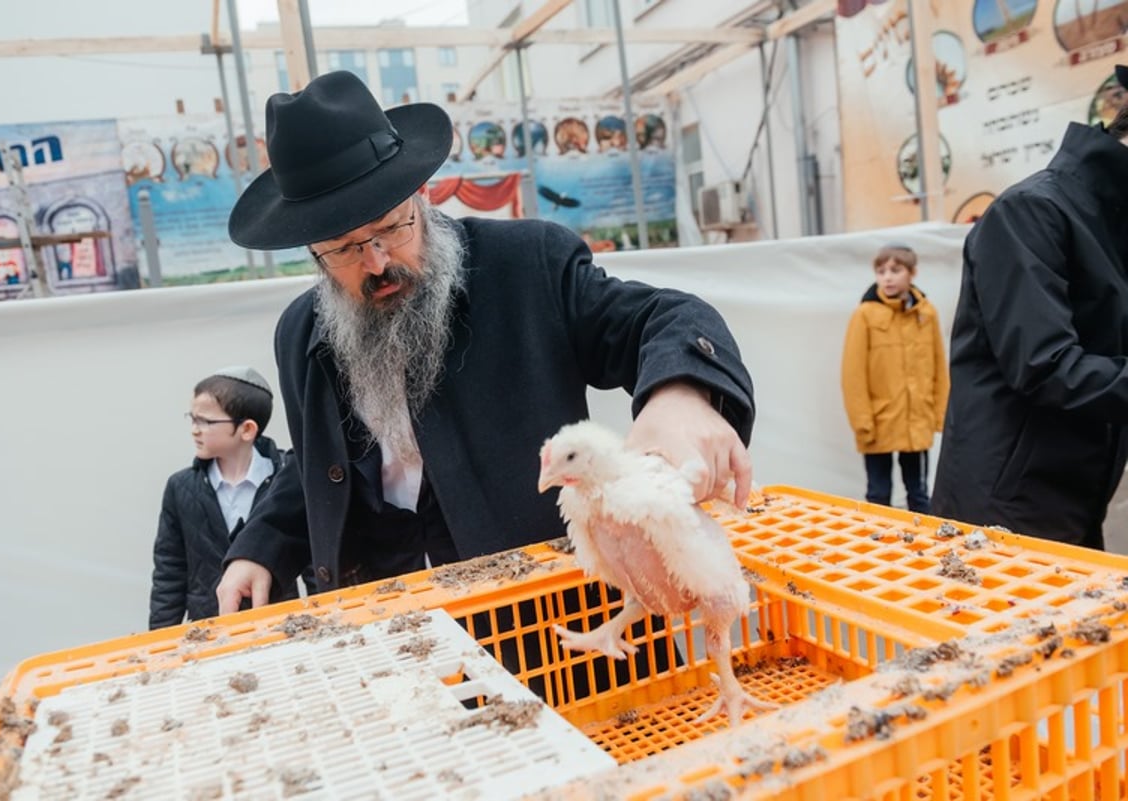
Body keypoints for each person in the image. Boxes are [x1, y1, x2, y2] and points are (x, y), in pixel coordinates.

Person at [215, 70, 756, 617]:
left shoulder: (527, 266)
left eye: (391, 229)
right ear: (312, 251)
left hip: (545, 621)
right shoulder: (301, 334)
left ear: (420, 196)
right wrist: (261, 547)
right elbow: (316, 467)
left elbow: (665, 318)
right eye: (345, 249)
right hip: (392, 629)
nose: (377, 263)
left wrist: (681, 395)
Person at [932, 65, 1128, 549]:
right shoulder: (1033, 211)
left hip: (1077, 495)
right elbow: (1046, 365)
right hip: (1005, 509)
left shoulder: (1113, 222)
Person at [149, 366, 298, 629]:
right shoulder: (180, 487)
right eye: (192, 419)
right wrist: (159, 643)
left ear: (247, 429)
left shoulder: (287, 481)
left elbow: (314, 564)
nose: (195, 430)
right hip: (209, 628)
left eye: (205, 421)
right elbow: (169, 573)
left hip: (277, 624)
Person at [841, 243, 949, 513]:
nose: (887, 277)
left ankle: (923, 548)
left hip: (917, 420)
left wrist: (940, 413)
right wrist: (862, 420)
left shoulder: (927, 314)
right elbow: (852, 373)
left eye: (895, 270)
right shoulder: (865, 314)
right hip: (880, 419)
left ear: (912, 273)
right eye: (881, 271)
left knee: (919, 493)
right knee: (879, 494)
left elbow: (938, 366)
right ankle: (879, 548)